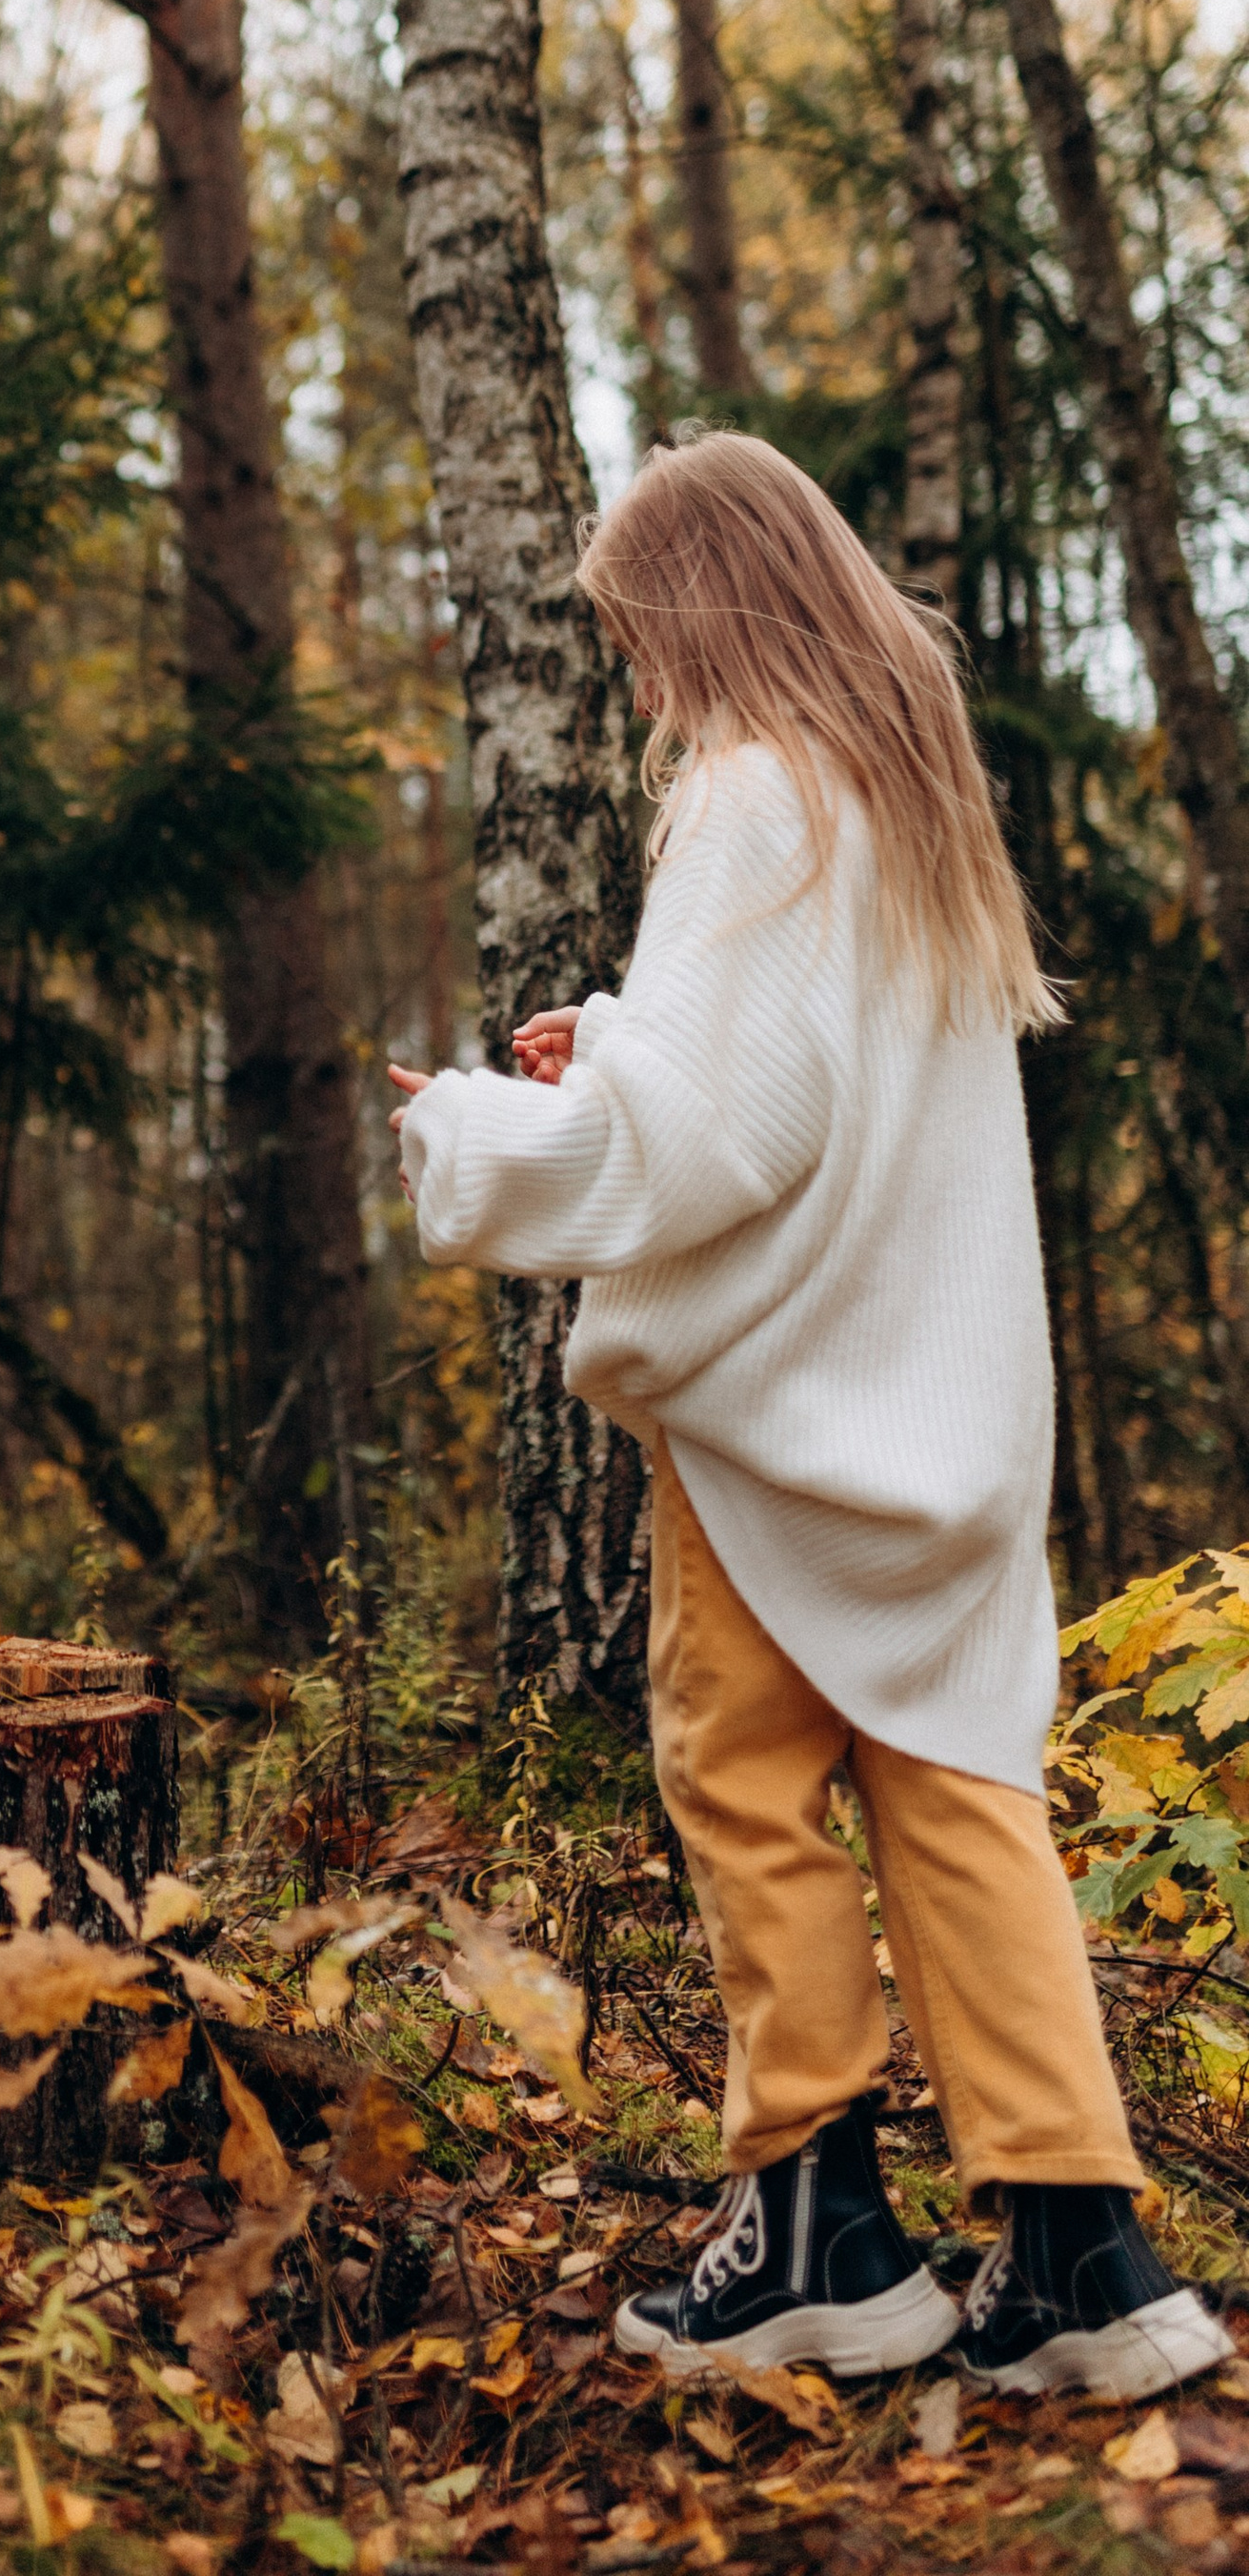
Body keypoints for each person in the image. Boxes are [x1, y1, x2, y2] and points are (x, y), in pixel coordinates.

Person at [389, 431, 1225, 2404]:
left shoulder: (748, 792)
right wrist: (617, 1038)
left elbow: (713, 1139)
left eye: (636, 635)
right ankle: (1081, 2257)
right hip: (942, 1413)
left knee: (742, 1783)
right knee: (955, 1793)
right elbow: (807, 1079)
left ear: (700, 605)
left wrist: (475, 1133)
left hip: (790, 1419)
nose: (637, 678)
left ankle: (813, 2229)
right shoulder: (900, 793)